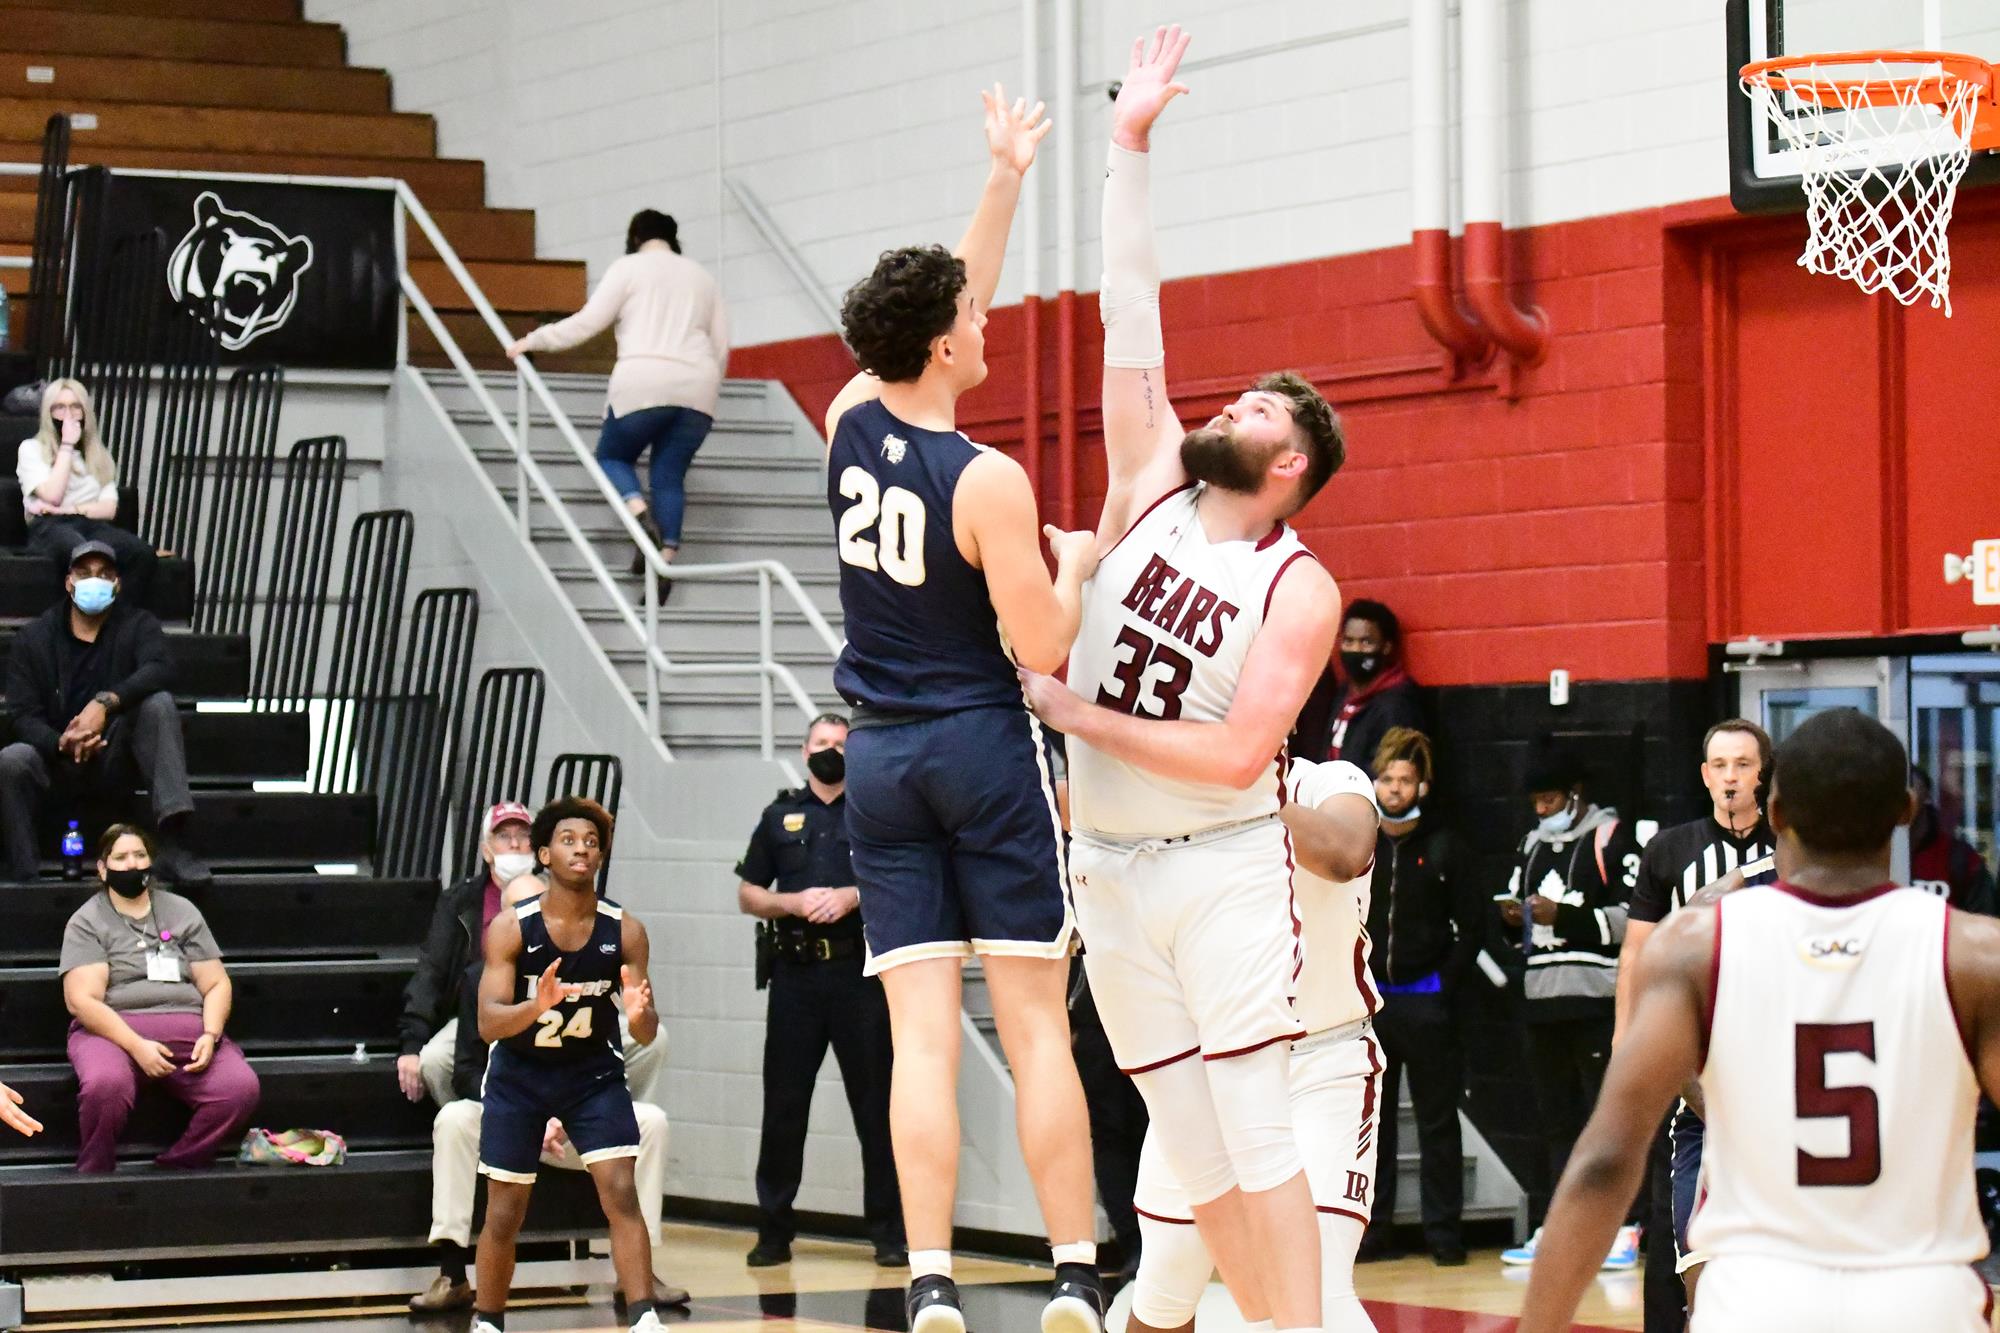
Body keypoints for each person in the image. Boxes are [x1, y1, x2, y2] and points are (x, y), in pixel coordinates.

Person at [1022, 27, 1348, 1333]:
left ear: (1286, 469)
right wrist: (1128, 145)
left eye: (1259, 417)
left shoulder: (1300, 585)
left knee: (1256, 1129)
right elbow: (1129, 295)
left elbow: (1233, 759)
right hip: (1102, 864)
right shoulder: (1153, 469)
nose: (1231, 412)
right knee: (1194, 1155)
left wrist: (1071, 710)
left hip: (1218, 862)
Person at [819, 85, 1105, 1333]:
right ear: (945, 345)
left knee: (921, 1041)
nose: (984, 324)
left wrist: (1001, 180)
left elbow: (944, 306)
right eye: (970, 320)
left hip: (877, 759)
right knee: (1035, 1025)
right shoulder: (989, 480)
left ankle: (928, 1273)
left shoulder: (843, 417)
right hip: (980, 743)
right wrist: (1079, 561)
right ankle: (1074, 1274)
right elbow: (1040, 649)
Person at [1519, 708, 1999, 1333]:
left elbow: (1606, 1161)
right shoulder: (1975, 955)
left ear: (1774, 814)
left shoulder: (1696, 944)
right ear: (1907, 811)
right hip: (1921, 1300)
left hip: (1757, 1299)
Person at [1120, 758, 1382, 1333]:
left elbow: (1346, 852)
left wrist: (1234, 805)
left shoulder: (1330, 781)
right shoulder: (1165, 799)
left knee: (1319, 1296)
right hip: (1210, 1070)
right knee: (1164, 1291)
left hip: (1323, 1063)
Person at [411, 884, 687, 1317]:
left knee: (650, 1120)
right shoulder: (479, 978)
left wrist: (639, 1017)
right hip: (510, 1104)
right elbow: (466, 1067)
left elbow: (642, 1039)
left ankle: (638, 1279)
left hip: (577, 1111)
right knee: (453, 1120)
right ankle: (452, 1270)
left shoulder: (603, 954)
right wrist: (532, 1113)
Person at [471, 797, 664, 1333]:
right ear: (544, 855)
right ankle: (487, 1321)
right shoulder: (512, 928)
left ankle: (645, 1316)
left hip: (591, 1074)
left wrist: (640, 1013)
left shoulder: (626, 930)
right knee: (505, 1210)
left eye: (592, 841)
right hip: (520, 1075)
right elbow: (488, 1024)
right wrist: (538, 1004)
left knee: (621, 1190)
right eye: (569, 839)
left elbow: (646, 1030)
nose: (582, 847)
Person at [1617, 719, 1773, 1328]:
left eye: (1743, 764)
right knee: (1678, 1221)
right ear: (1704, 774)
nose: (1731, 776)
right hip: (1693, 1055)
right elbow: (1636, 952)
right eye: (1720, 765)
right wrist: (1626, 1034)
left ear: (1763, 773)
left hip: (1768, 1049)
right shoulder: (1670, 849)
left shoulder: (1792, 850)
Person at [734, 713, 904, 1268]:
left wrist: (853, 896)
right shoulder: (779, 813)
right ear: (805, 751)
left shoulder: (874, 812)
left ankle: (888, 1233)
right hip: (796, 979)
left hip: (859, 978)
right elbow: (750, 892)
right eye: (821, 743)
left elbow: (900, 875)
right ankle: (774, 1232)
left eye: (840, 744)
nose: (830, 751)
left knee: (875, 1107)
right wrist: (793, 902)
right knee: (784, 1105)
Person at [506, 210, 728, 596]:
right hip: (699, 386)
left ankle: (641, 518)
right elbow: (721, 347)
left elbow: (588, 323)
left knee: (612, 457)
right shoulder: (704, 278)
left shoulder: (629, 268)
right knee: (669, 474)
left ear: (635, 237)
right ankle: (666, 560)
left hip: (643, 380)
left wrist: (534, 341)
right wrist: (707, 387)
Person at [1494, 745, 1641, 1267]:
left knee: (1606, 1120)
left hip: (1596, 1001)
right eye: (1535, 801)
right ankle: (1558, 1226)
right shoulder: (1530, 844)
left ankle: (1623, 1227)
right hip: (1543, 1002)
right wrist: (1512, 921)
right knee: (1554, 1123)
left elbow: (1634, 920)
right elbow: (1511, 911)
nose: (1541, 810)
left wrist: (1564, 916)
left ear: (1576, 795)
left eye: (1550, 799)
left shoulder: (1612, 838)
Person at [0, 540, 206, 885]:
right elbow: (21, 714)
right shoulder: (35, 638)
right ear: (69, 582)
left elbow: (162, 668)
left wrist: (106, 702)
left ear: (117, 584)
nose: (93, 581)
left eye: (104, 574)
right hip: (54, 761)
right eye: (84, 573)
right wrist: (61, 742)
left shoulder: (138, 624)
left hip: (115, 756)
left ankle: (174, 842)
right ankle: (22, 871)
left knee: (159, 705)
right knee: (11, 759)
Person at [57, 823, 258, 1173]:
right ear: (103, 869)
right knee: (106, 1086)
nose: (132, 865)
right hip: (113, 1033)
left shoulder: (181, 911)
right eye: (120, 857)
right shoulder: (87, 921)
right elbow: (82, 1001)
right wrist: (137, 1046)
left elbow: (216, 984)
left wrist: (211, 1035)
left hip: (190, 1031)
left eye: (140, 855)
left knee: (239, 1088)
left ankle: (177, 1166)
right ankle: (94, 1171)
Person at [1357, 727, 1478, 1266]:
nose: (1395, 789)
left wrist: (1441, 986)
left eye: (1406, 780)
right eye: (1387, 779)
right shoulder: (1359, 844)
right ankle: (1372, 1230)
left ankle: (1444, 1235)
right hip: (1370, 1003)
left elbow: (1473, 928)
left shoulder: (1445, 846)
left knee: (1436, 1120)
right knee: (1371, 1125)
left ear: (1422, 787)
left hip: (1425, 1002)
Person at [397, 802, 548, 1108]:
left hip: (547, 1004)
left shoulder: (560, 895)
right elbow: (432, 970)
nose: (516, 844)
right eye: (504, 836)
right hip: (475, 1012)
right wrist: (412, 1042)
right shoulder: (461, 900)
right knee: (435, 1060)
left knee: (650, 1044)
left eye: (524, 835)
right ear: (487, 851)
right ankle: (475, 1127)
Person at [16, 379, 157, 607]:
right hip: (49, 526)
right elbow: (52, 495)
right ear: (48, 412)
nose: (68, 414)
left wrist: (70, 509)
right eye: (59, 407)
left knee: (141, 553)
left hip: (90, 524)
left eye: (75, 407)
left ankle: (116, 619)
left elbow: (109, 509)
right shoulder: (32, 449)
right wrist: (66, 447)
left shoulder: (98, 455)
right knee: (81, 553)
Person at [1290, 600, 1424, 777]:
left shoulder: (1397, 704)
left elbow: (1389, 774)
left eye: (1366, 642)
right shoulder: (1344, 694)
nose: (1355, 649)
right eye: (1348, 641)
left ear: (1386, 647)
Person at [1911, 765, 1997, 914]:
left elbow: (1984, 921)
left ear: (1927, 795)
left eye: (1910, 782)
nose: (1903, 791)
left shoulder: (1960, 858)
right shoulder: (1869, 853)